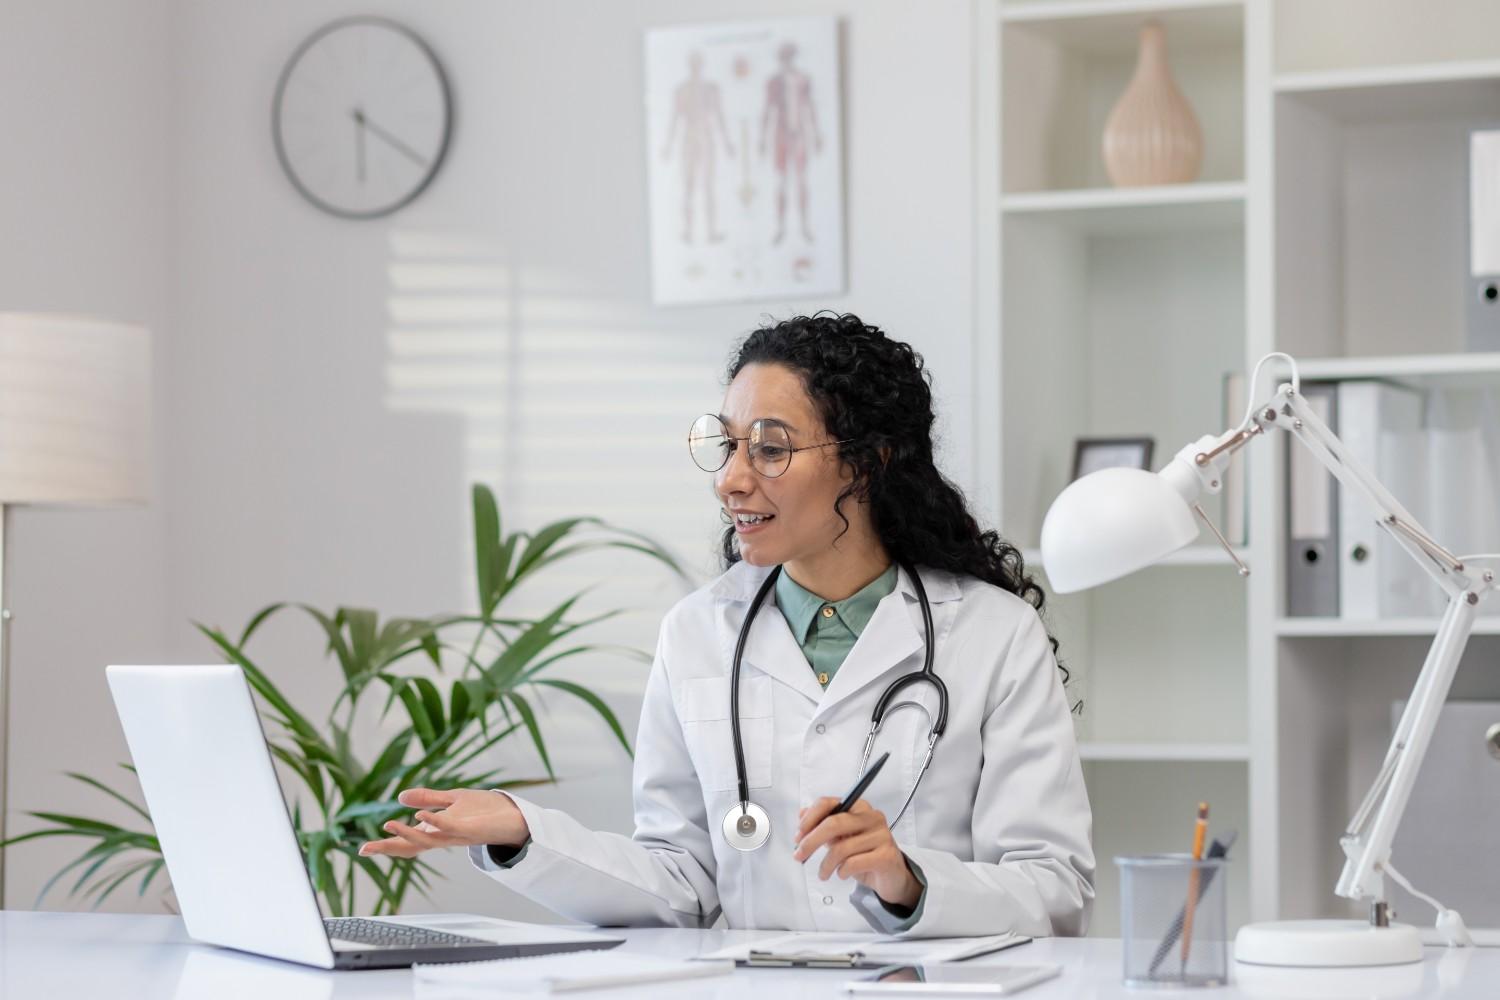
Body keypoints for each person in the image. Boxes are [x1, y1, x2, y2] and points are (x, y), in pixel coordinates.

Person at [360, 313, 1095, 936]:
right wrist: (524, 832)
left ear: (867, 464)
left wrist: (909, 882)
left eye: (770, 449)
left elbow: (1055, 889)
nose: (731, 479)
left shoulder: (992, 635)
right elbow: (680, 882)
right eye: (728, 444)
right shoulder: (698, 634)